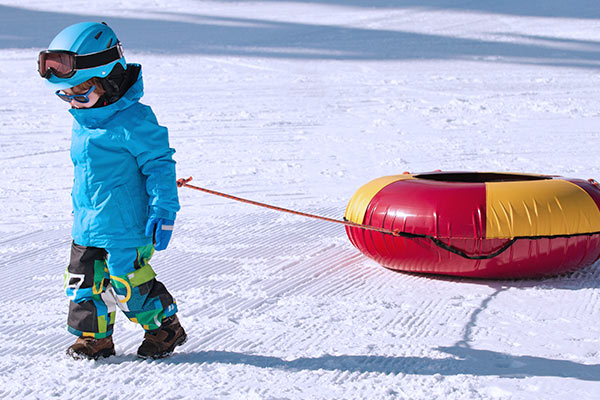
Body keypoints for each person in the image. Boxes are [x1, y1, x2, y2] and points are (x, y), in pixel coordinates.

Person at [38, 22, 186, 360]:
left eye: (80, 93)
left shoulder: (135, 120)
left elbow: (160, 165)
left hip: (127, 227)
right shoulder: (84, 119)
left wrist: (164, 210)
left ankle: (165, 327)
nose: (72, 101)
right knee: (82, 286)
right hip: (87, 226)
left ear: (108, 81)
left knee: (127, 285)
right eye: (65, 94)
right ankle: (94, 339)